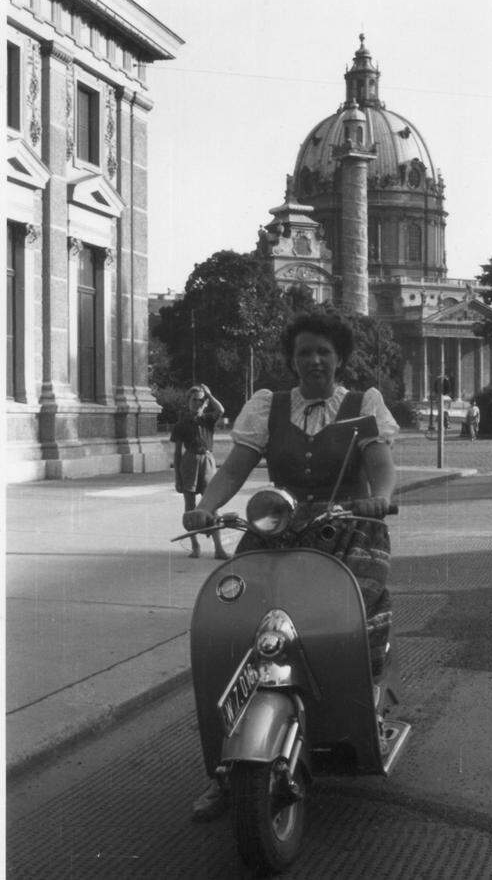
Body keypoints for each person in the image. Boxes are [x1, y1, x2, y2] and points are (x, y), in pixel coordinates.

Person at [183, 311, 400, 820]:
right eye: (304, 352)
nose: (314, 360)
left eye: (324, 351)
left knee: (353, 619)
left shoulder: (362, 404)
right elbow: (235, 467)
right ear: (293, 359)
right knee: (235, 624)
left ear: (339, 357)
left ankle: (357, 714)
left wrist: (381, 498)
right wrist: (207, 507)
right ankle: (226, 769)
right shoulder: (269, 405)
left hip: (350, 526)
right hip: (278, 525)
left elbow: (380, 464)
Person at [171, 384, 228, 560]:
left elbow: (221, 409)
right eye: (194, 400)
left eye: (201, 400)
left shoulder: (208, 420)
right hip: (189, 461)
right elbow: (177, 452)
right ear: (188, 402)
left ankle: (218, 548)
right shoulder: (181, 424)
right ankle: (195, 546)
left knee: (213, 504)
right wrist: (178, 478)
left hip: (207, 461)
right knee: (190, 507)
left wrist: (209, 396)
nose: (197, 403)